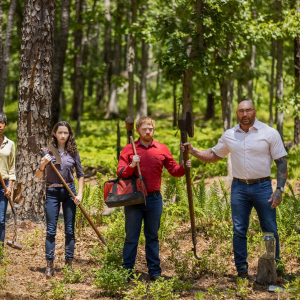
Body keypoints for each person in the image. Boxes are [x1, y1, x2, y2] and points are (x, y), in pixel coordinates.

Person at [181, 100, 288, 278]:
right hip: (239, 188)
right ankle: (242, 271)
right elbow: (214, 155)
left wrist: (280, 190)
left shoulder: (269, 133)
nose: (245, 114)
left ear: (255, 111)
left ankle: (274, 267)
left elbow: (281, 163)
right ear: (237, 113)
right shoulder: (230, 134)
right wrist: (193, 151)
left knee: (269, 228)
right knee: (239, 229)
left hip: (263, 187)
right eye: (241, 111)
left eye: (248, 110)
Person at [117, 116, 191, 281]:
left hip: (154, 199)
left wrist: (184, 166)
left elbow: (174, 170)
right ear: (137, 130)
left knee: (152, 236)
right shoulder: (129, 149)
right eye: (144, 128)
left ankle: (155, 272)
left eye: (150, 128)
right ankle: (127, 271)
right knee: (131, 237)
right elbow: (120, 173)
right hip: (134, 199)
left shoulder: (161, 148)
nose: (148, 131)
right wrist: (132, 165)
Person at [36, 121, 84, 279]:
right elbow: (38, 176)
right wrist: (43, 165)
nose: (63, 135)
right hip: (52, 191)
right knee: (51, 230)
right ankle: (49, 265)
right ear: (54, 134)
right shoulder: (47, 152)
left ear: (69, 134)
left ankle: (68, 264)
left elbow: (80, 174)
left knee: (70, 230)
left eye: (66, 133)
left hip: (70, 191)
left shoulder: (73, 152)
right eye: (60, 132)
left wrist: (80, 195)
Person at [0, 113, 15, 250]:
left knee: (1, 220)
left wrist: (10, 187)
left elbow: (12, 168)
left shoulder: (10, 144)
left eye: (1, 122)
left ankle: (0, 252)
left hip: (3, 185)